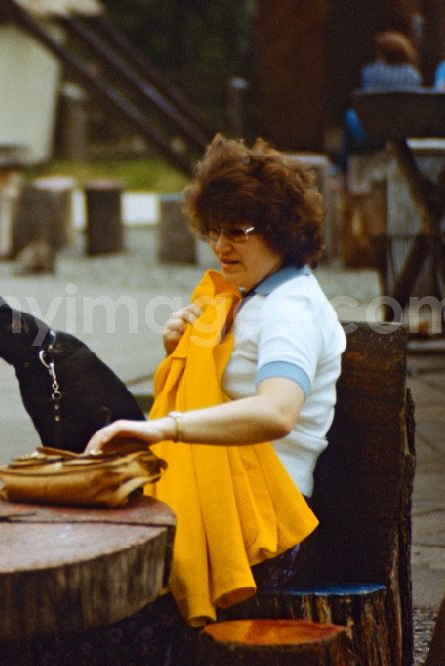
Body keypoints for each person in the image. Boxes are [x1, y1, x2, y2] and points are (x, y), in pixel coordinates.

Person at [86, 134, 346, 627]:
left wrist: (164, 428)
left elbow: (277, 412)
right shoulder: (249, 296)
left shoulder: (291, 311)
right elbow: (232, 384)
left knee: (121, 596)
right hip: (226, 499)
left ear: (281, 230)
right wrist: (181, 352)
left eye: (238, 231)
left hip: (262, 523)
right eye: (212, 230)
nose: (220, 246)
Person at [336, 30, 422, 172]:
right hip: (404, 133)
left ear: (381, 52)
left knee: (350, 116)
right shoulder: (413, 75)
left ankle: (342, 167)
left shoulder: (370, 72)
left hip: (372, 133)